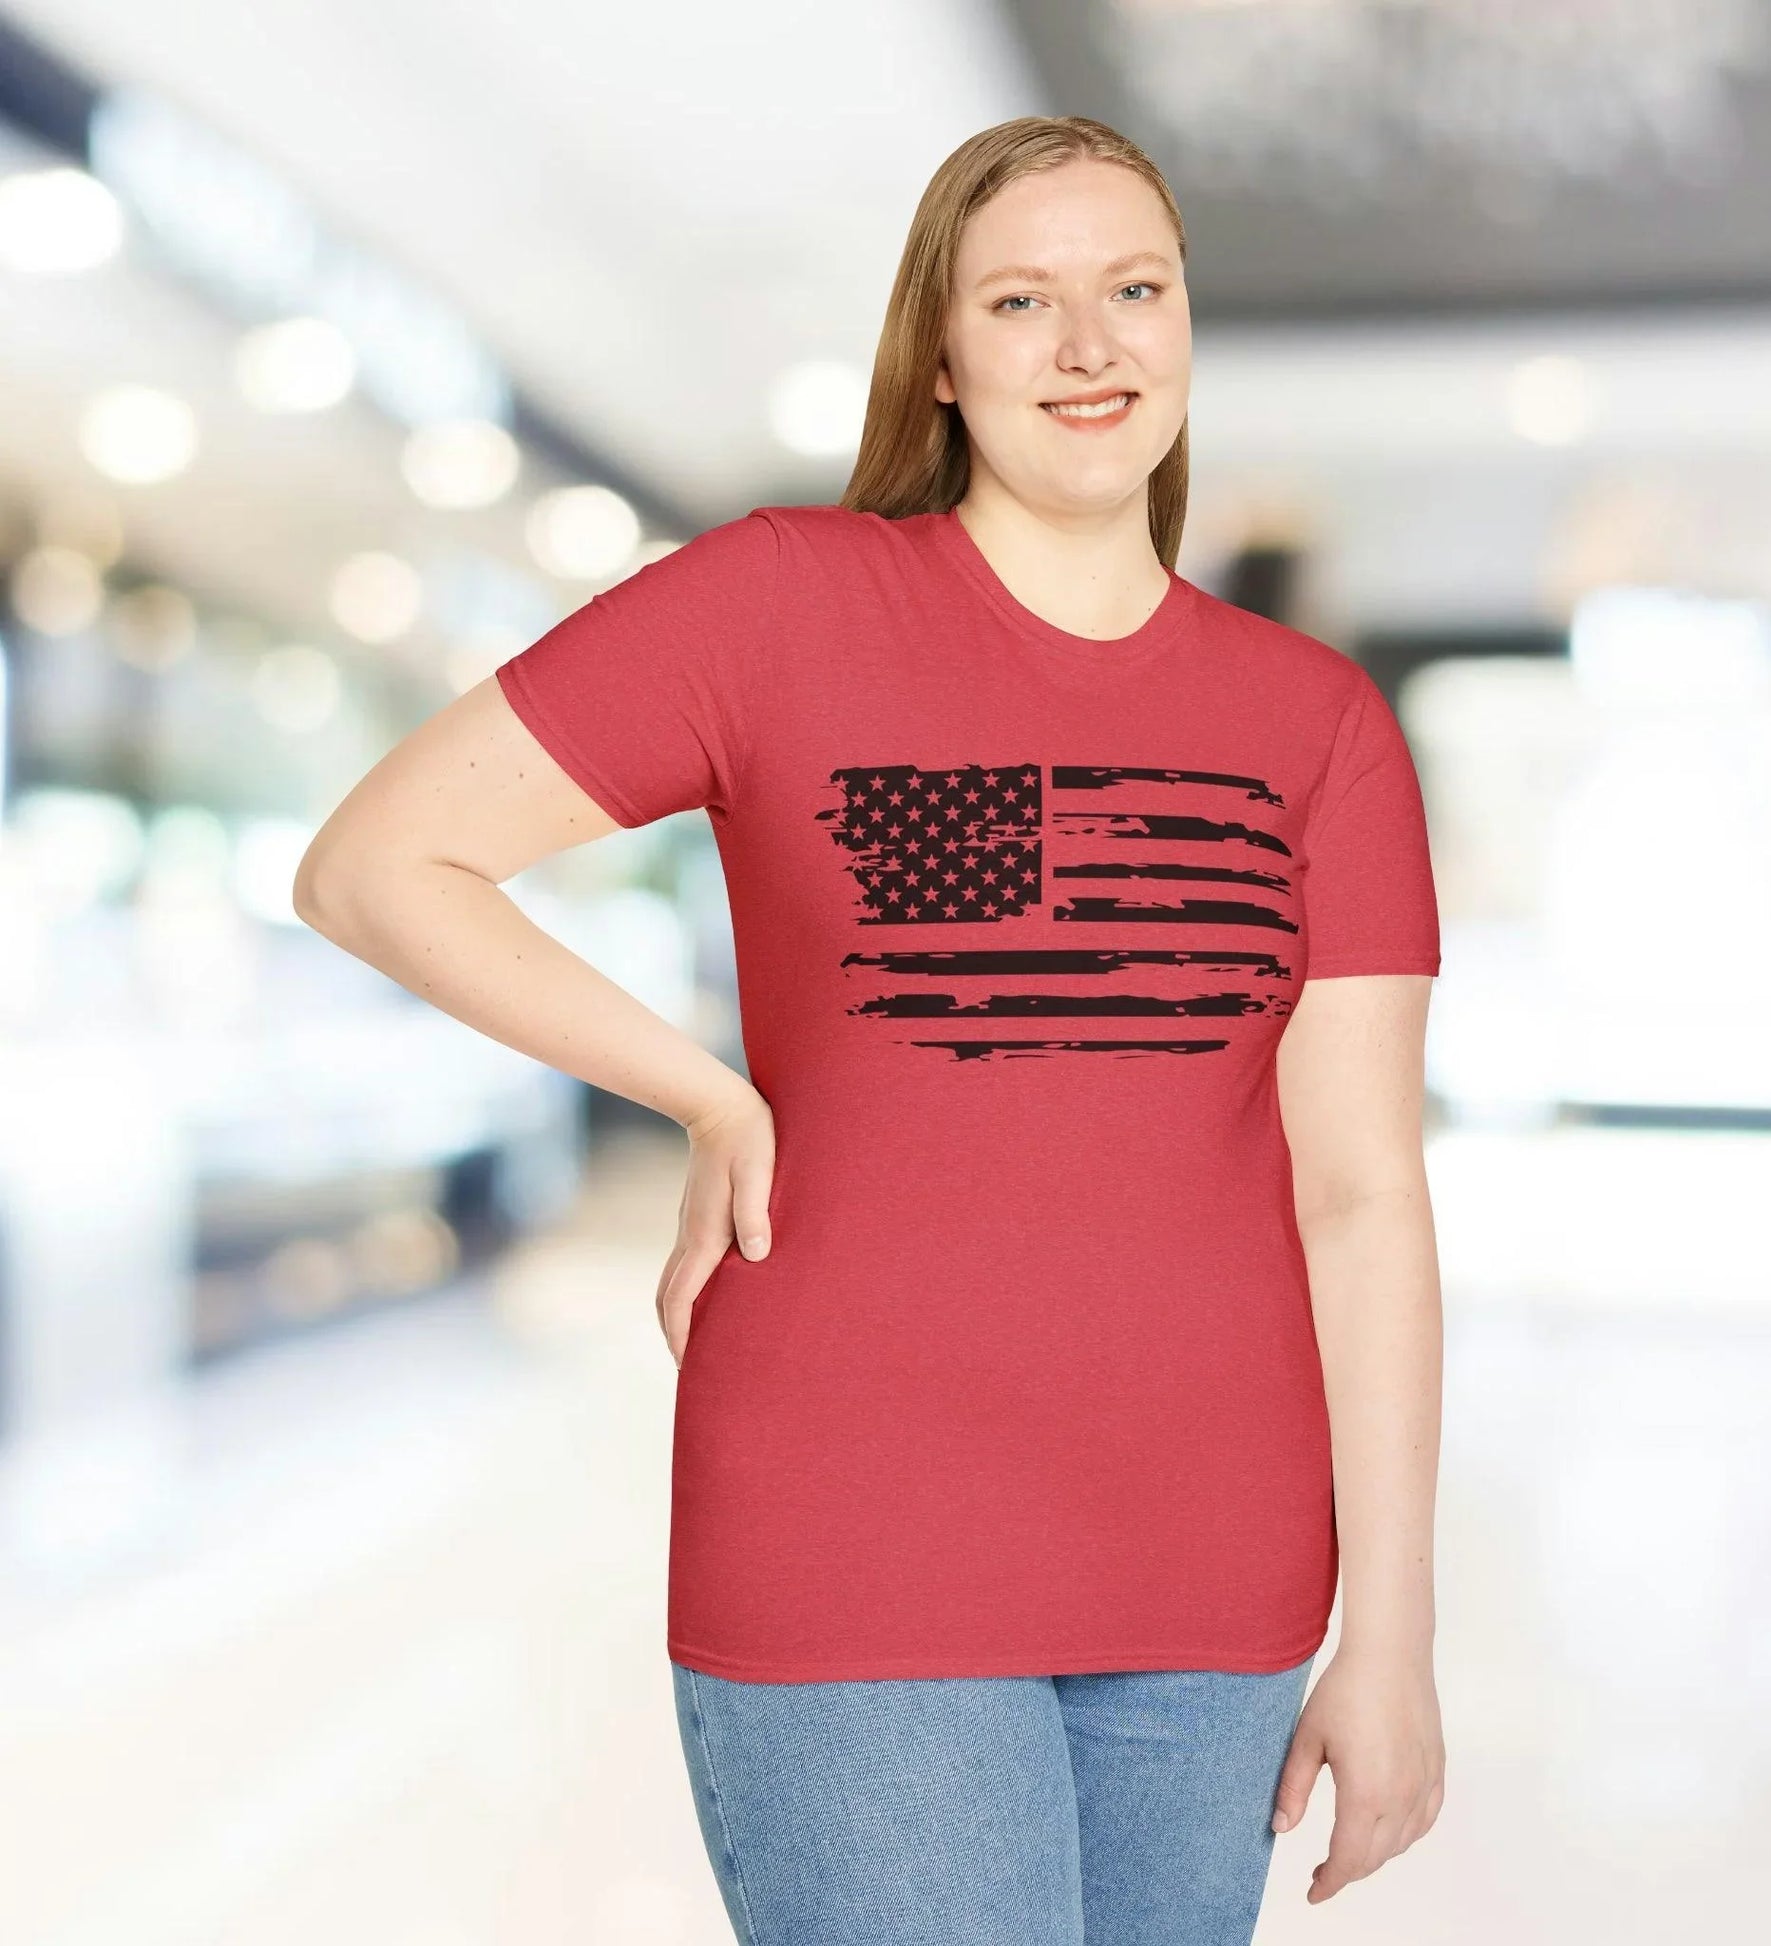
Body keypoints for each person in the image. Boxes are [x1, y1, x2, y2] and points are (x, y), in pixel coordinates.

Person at [295, 113, 1445, 1944]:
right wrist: (704, 1093)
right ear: (943, 354)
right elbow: (379, 861)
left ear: (1183, 327)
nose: (1089, 344)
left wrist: (1390, 1634)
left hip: (1214, 1570)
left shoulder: (1313, 726)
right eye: (1023, 298)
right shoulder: (782, 606)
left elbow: (1362, 1194)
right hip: (856, 1533)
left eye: (1133, 288)